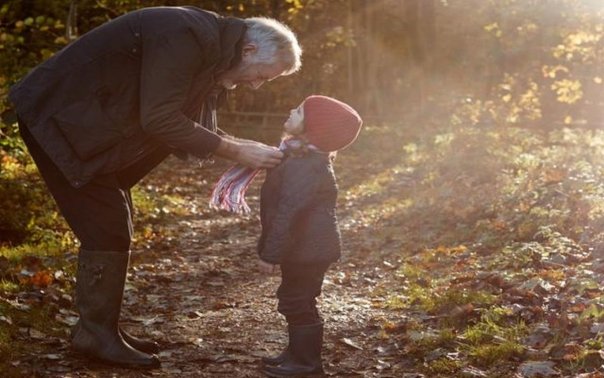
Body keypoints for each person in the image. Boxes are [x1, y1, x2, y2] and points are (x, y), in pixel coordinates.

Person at [8, 6, 302, 369]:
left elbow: (188, 130)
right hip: (61, 117)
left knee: (116, 221)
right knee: (108, 226)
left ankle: (99, 328)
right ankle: (95, 334)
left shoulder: (212, 58)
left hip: (90, 125)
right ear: (250, 51)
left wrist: (241, 147)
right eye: (261, 76)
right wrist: (234, 149)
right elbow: (160, 119)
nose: (256, 84)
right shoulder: (186, 36)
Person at [257, 95, 362, 377]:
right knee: (297, 298)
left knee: (297, 300)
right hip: (304, 247)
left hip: (307, 249)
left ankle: (306, 364)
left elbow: (289, 210)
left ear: (314, 126)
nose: (292, 110)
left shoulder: (306, 164)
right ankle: (295, 355)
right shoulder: (301, 155)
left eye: (300, 110)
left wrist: (270, 254)